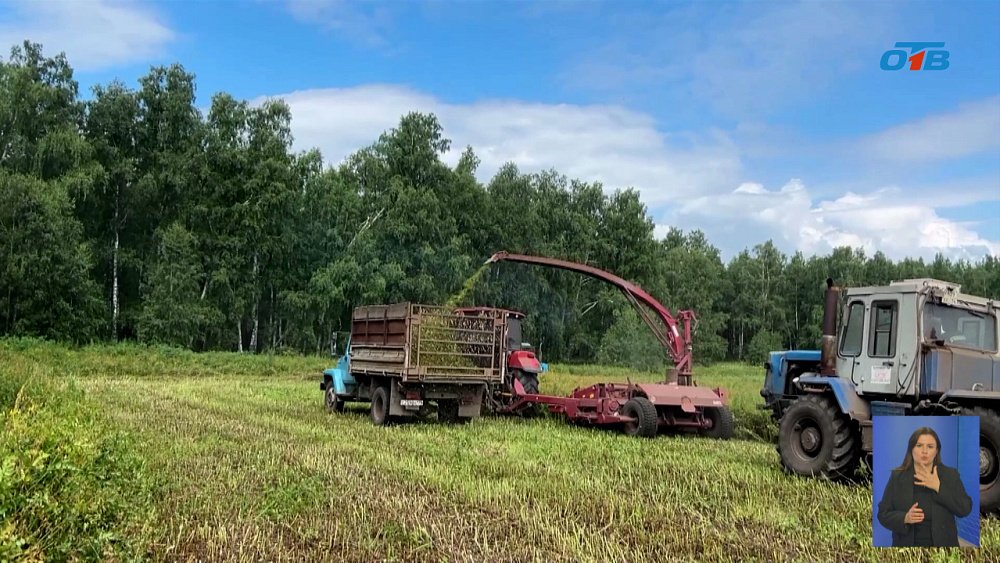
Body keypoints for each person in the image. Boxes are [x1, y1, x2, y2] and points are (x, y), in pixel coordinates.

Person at [876, 427, 973, 547]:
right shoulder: (897, 477)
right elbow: (883, 514)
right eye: (919, 445)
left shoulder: (950, 475)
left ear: (936, 451)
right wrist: (904, 518)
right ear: (911, 449)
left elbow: (965, 508)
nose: (925, 451)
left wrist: (939, 487)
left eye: (930, 446)